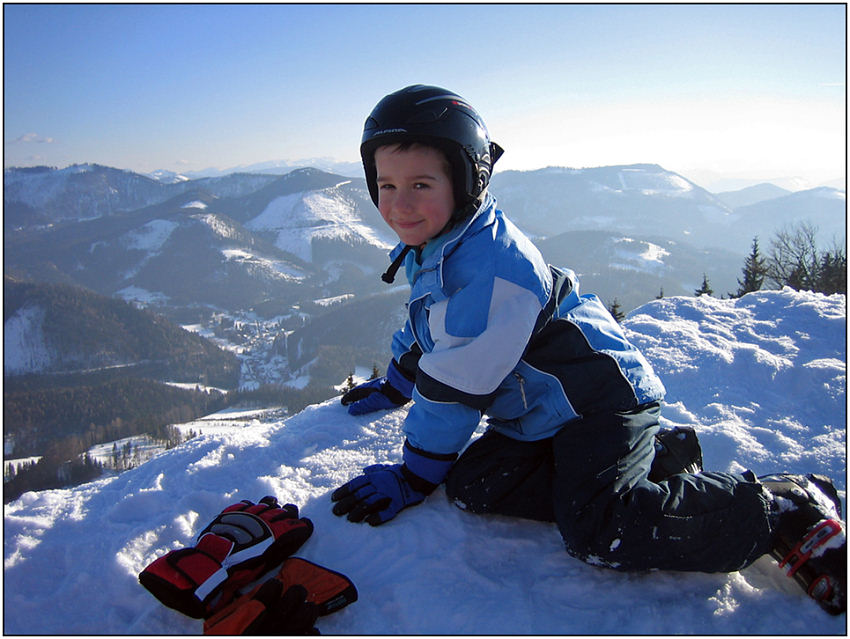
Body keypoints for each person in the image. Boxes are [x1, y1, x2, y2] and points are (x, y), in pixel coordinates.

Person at [331, 84, 846, 615]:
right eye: (386, 184)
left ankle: (778, 509)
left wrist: (413, 476)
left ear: (467, 182)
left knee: (601, 529)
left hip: (601, 400)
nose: (399, 204)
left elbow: (453, 387)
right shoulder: (443, 242)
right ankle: (656, 457)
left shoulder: (492, 272)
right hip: (546, 407)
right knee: (472, 485)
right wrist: (397, 380)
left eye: (421, 183)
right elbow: (430, 324)